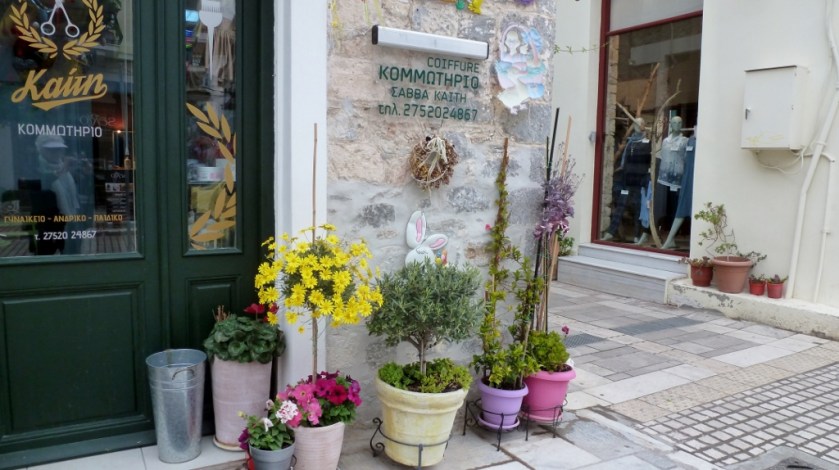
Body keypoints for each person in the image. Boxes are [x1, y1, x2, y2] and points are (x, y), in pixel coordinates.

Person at [602, 117, 651, 242]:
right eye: (635, 124)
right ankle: (611, 232)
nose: (636, 127)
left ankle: (637, 235)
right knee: (621, 206)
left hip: (639, 181)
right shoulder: (630, 142)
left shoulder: (647, 142)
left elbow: (648, 163)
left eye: (639, 124)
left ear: (643, 126)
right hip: (627, 179)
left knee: (638, 208)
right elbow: (625, 162)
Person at [662, 123, 697, 250]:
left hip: (698, 179)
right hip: (686, 178)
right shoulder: (690, 141)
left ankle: (695, 245)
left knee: (695, 210)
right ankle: (670, 239)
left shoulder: (699, 140)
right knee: (681, 209)